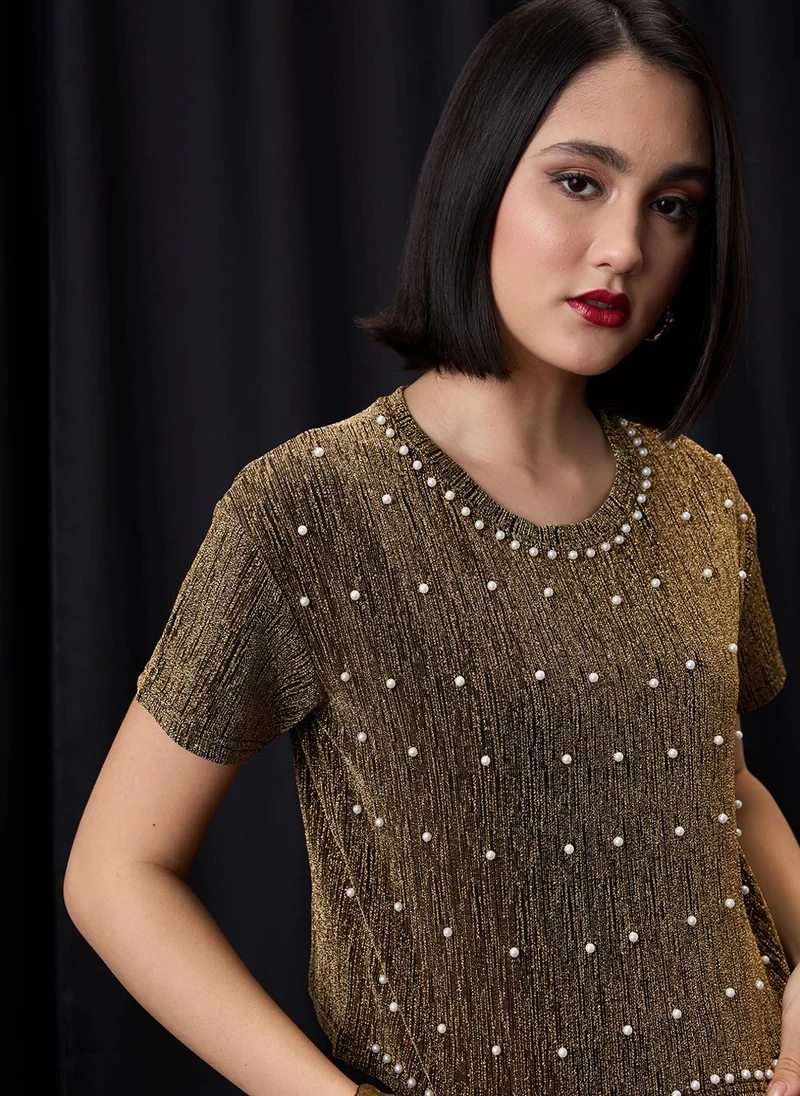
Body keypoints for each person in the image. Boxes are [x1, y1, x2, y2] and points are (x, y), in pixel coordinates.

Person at [63, 1, 800, 1094]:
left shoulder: (701, 496)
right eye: (578, 181)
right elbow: (113, 871)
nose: (624, 248)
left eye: (672, 206)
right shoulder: (306, 510)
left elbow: (720, 785)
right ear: (479, 174)